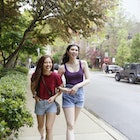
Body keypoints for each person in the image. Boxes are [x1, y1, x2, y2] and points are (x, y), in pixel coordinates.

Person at [58, 44, 90, 140]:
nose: (74, 51)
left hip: (79, 96)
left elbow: (88, 79)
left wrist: (77, 86)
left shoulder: (83, 63)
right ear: (68, 52)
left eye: (76, 50)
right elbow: (56, 84)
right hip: (68, 97)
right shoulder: (62, 67)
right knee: (70, 125)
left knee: (72, 125)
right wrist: (65, 90)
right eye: (72, 49)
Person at [30, 55, 63, 140]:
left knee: (49, 128)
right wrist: (35, 96)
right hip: (39, 103)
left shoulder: (56, 76)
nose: (48, 64)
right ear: (41, 64)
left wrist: (54, 97)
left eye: (50, 62)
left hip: (51, 104)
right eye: (46, 62)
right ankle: (42, 136)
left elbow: (61, 89)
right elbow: (32, 87)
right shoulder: (36, 75)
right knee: (40, 126)